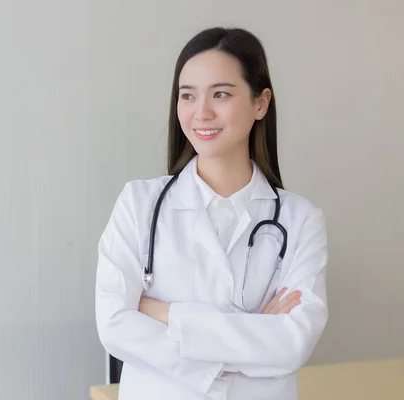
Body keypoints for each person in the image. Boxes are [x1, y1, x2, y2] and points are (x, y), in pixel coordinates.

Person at [94, 27, 328, 400]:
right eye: (188, 95)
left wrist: (166, 314)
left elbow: (293, 342)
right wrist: (249, 335)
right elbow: (115, 324)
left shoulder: (300, 221)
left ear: (260, 103)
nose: (201, 112)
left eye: (220, 94)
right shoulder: (139, 204)